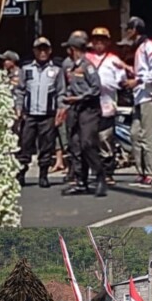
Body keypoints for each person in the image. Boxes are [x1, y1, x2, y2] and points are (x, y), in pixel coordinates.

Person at [57, 30, 105, 196]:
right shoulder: (66, 65)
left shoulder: (88, 66)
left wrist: (79, 98)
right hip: (74, 110)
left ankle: (100, 176)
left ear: (73, 48)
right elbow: (63, 88)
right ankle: (80, 182)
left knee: (87, 144)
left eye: (69, 48)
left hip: (89, 109)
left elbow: (96, 88)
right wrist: (63, 105)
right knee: (75, 145)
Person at [122, 16, 152, 187]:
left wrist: (139, 81)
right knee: (134, 134)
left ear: (134, 30)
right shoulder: (138, 48)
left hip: (148, 96)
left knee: (147, 136)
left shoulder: (148, 45)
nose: (127, 32)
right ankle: (142, 171)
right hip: (139, 97)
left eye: (128, 28)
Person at [16, 36, 64, 188]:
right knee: (25, 144)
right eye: (39, 49)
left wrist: (60, 110)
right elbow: (20, 90)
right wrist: (18, 107)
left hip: (47, 114)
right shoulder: (26, 69)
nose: (42, 52)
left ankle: (43, 175)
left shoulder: (56, 70)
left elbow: (61, 92)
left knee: (46, 146)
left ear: (50, 51)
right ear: (34, 51)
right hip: (29, 114)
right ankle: (21, 173)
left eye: (45, 49)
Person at [87, 27, 128, 186]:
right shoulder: (87, 59)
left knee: (106, 140)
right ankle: (95, 172)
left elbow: (121, 80)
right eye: (96, 40)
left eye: (102, 40)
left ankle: (108, 173)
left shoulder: (114, 60)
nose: (99, 43)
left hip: (107, 106)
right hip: (90, 107)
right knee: (89, 141)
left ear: (107, 43)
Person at [0, 50, 23, 133]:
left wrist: (19, 108)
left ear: (12, 61)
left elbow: (19, 92)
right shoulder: (4, 74)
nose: (4, 63)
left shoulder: (19, 74)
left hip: (15, 107)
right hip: (5, 107)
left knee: (15, 131)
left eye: (6, 60)